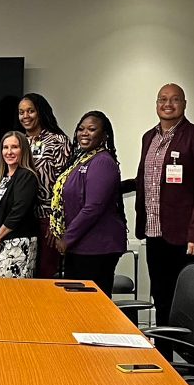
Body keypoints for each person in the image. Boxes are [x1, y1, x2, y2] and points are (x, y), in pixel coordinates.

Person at [133, 83, 194, 325]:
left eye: (175, 99)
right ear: (156, 104)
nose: (168, 104)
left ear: (184, 104)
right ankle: (164, 358)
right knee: (161, 299)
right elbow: (146, 180)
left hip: (187, 238)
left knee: (189, 305)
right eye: (163, 99)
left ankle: (193, 359)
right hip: (154, 233)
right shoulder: (148, 138)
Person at [49, 111, 127, 297]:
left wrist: (67, 238)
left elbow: (94, 207)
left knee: (90, 304)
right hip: (81, 245)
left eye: (92, 129)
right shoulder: (81, 160)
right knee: (76, 303)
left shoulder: (102, 162)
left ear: (104, 135)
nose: (84, 133)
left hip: (97, 247)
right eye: (81, 129)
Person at [18, 93, 70, 278]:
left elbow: (65, 182)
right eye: (21, 112)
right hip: (22, 220)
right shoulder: (18, 142)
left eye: (30, 111)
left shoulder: (57, 141)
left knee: (46, 273)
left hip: (47, 219)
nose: (26, 116)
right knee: (26, 274)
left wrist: (55, 222)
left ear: (40, 112)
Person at [0, 131, 39, 278]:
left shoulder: (26, 176)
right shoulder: (4, 178)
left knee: (12, 294)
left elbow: (18, 211)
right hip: (3, 242)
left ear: (23, 150)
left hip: (19, 243)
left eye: (14, 147)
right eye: (5, 148)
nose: (9, 152)